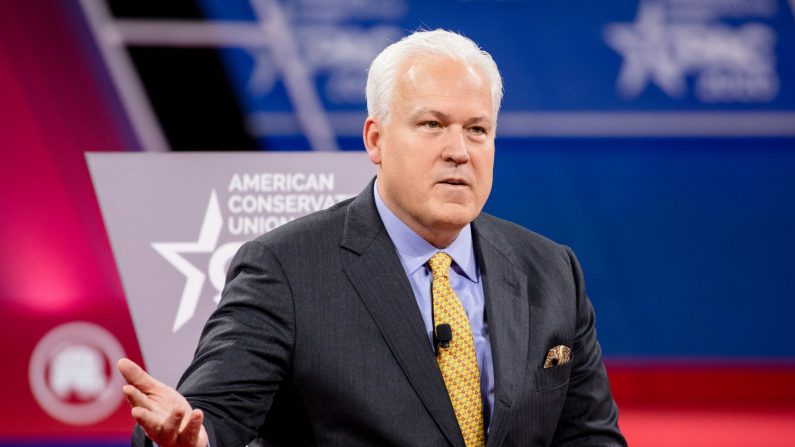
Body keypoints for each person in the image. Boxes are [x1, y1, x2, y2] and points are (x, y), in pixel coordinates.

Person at [118, 29, 626, 447]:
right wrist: (191, 443)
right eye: (432, 124)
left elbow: (589, 436)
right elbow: (212, 417)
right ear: (376, 140)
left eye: (477, 130)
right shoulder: (286, 270)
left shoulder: (551, 270)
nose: (459, 151)